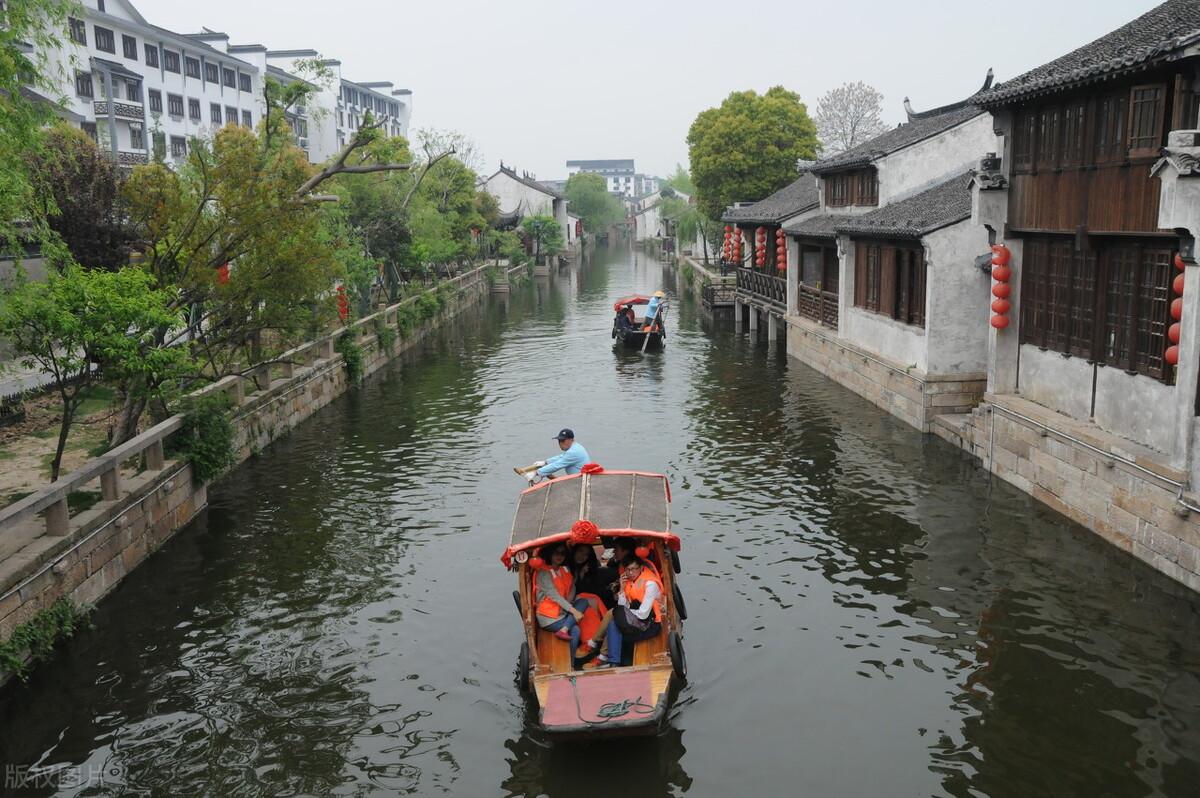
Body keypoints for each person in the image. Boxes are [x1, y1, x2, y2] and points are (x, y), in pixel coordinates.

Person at [601, 555, 664, 667]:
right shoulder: (629, 583)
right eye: (628, 570)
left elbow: (643, 614)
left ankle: (609, 657)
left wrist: (626, 613)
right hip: (635, 619)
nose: (630, 573)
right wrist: (621, 588)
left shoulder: (650, 584)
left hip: (650, 623)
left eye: (634, 569)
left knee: (615, 623)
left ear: (640, 568)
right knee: (613, 624)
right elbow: (622, 606)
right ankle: (613, 662)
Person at [534, 544, 590, 659]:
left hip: (563, 612)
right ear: (550, 554)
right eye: (556, 553)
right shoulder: (543, 573)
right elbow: (555, 596)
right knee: (575, 630)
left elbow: (571, 586)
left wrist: (570, 603)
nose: (560, 556)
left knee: (584, 601)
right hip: (549, 617)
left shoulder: (564, 569)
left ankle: (564, 629)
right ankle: (571, 665)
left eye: (562, 553)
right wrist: (573, 611)